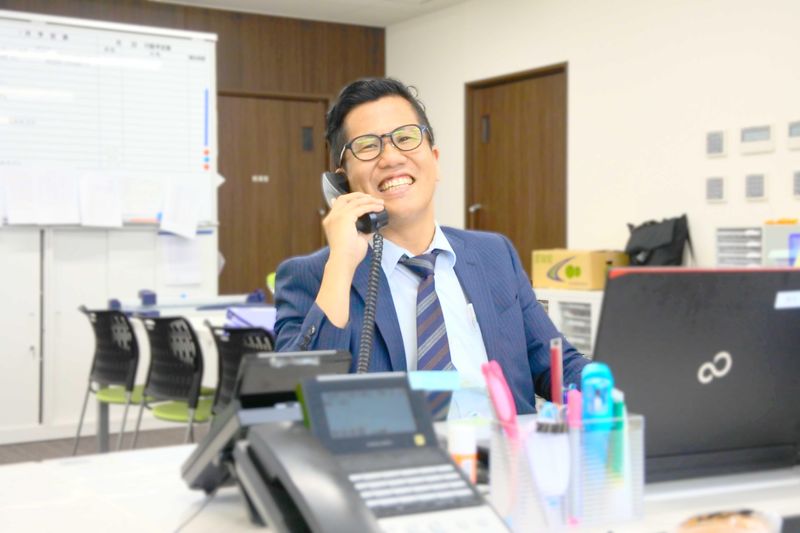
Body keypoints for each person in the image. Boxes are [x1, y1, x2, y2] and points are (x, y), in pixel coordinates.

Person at [274, 77, 588, 414]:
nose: (391, 157)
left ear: (434, 159)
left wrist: (605, 392)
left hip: (505, 444)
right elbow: (297, 402)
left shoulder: (495, 255)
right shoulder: (313, 275)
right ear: (342, 180)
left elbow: (556, 365)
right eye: (367, 146)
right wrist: (341, 265)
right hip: (400, 448)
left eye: (405, 138)